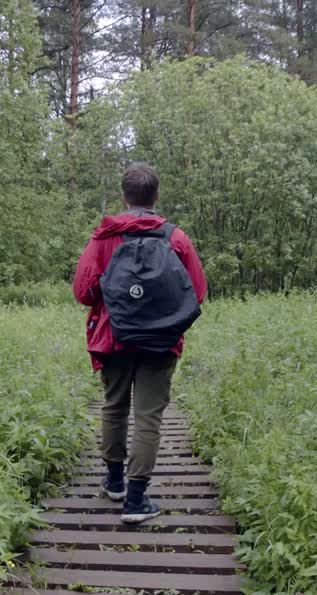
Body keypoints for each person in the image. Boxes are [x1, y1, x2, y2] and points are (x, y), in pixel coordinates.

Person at [71, 163, 208, 524]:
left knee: (114, 407)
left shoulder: (104, 237)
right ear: (156, 197)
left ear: (124, 196)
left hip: (113, 336)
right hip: (160, 341)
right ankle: (136, 500)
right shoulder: (176, 238)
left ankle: (114, 482)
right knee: (148, 416)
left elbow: (83, 293)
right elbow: (197, 292)